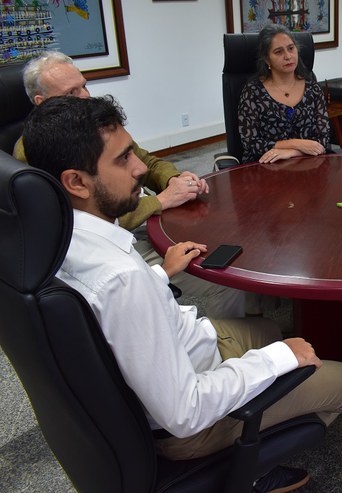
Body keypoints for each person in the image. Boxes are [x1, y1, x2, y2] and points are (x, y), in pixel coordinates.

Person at [23, 95, 342, 492]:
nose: (139, 168)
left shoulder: (57, 237)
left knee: (268, 327)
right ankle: (250, 471)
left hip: (188, 344)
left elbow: (115, 311)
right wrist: (280, 358)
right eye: (122, 159)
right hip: (188, 425)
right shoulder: (120, 280)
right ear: (76, 181)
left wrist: (159, 275)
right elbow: (184, 411)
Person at [14, 50, 247, 319]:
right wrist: (160, 201)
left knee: (223, 237)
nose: (85, 97)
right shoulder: (37, 152)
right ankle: (227, 342)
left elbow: (146, 160)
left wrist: (173, 179)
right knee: (222, 278)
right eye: (71, 93)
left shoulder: (96, 126)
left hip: (142, 219)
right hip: (121, 241)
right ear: (43, 103)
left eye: (84, 86)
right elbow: (84, 222)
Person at [238, 24, 331, 164]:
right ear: (267, 59)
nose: (288, 56)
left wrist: (291, 153)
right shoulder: (253, 92)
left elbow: (323, 139)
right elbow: (251, 143)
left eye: (291, 48)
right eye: (278, 52)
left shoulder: (313, 89)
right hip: (266, 167)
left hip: (308, 165)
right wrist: (296, 144)